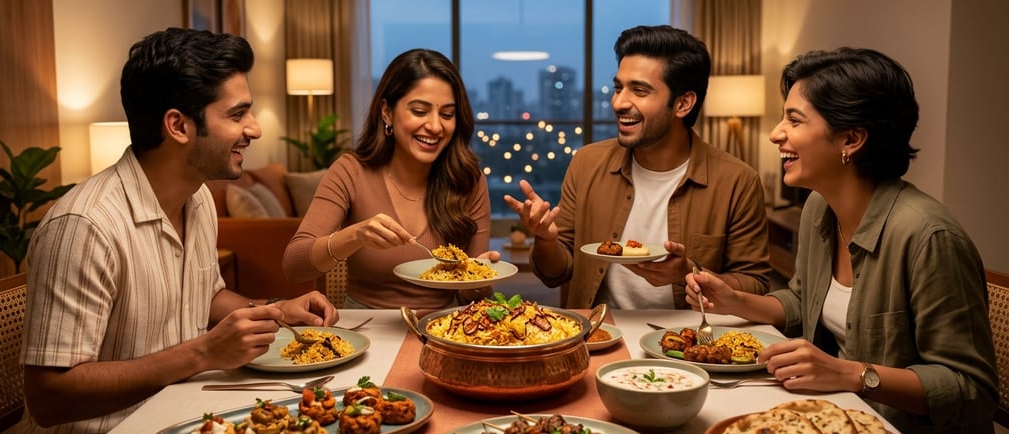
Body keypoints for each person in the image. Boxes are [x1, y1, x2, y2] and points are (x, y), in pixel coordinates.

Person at [17, 28, 339, 432]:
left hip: (183, 415)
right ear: (178, 126)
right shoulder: (85, 227)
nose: (255, 129)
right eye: (237, 114)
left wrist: (272, 310)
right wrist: (202, 354)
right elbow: (48, 397)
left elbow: (205, 296)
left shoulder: (198, 198)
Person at [686, 47, 997, 432]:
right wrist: (735, 300)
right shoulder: (820, 207)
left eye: (794, 120)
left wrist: (851, 374)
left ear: (851, 139)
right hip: (839, 416)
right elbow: (804, 300)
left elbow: (972, 390)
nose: (775, 133)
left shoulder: (928, 237)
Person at [504, 25, 770, 309]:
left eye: (640, 91)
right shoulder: (587, 163)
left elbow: (755, 284)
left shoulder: (737, 181)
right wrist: (545, 239)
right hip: (600, 337)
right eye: (618, 88)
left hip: (691, 344)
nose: (619, 102)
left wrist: (688, 273)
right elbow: (556, 273)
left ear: (683, 104)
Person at [282, 48, 496, 309]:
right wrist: (356, 235)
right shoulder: (350, 171)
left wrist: (481, 281)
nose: (435, 126)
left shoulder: (469, 180)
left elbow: (473, 298)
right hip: (369, 329)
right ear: (386, 112)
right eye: (419, 111)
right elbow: (294, 265)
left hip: (444, 328)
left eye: (447, 114)